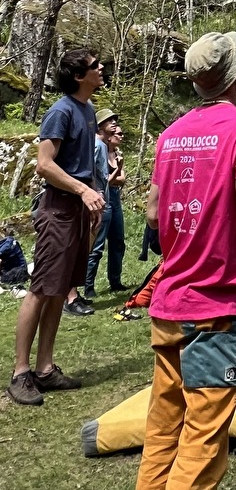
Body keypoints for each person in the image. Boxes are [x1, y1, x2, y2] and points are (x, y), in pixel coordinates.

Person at [136, 31, 236, 490]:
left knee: (163, 429)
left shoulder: (169, 136)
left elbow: (152, 213)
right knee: (203, 440)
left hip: (169, 303)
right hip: (216, 309)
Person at [7, 48, 107, 406]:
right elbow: (44, 165)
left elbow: (82, 165)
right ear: (79, 76)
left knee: (60, 287)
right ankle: (21, 373)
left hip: (79, 210)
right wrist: (81, 189)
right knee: (40, 289)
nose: (101, 69)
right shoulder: (61, 111)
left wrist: (93, 196)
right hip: (57, 210)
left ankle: (45, 369)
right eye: (95, 66)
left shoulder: (89, 110)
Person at [83, 109, 127, 299]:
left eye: (115, 120)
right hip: (100, 200)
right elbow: (91, 175)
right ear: (99, 124)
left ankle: (115, 282)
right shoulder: (95, 144)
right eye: (110, 120)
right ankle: (88, 286)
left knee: (117, 241)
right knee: (97, 245)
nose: (114, 123)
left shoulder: (105, 146)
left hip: (110, 198)